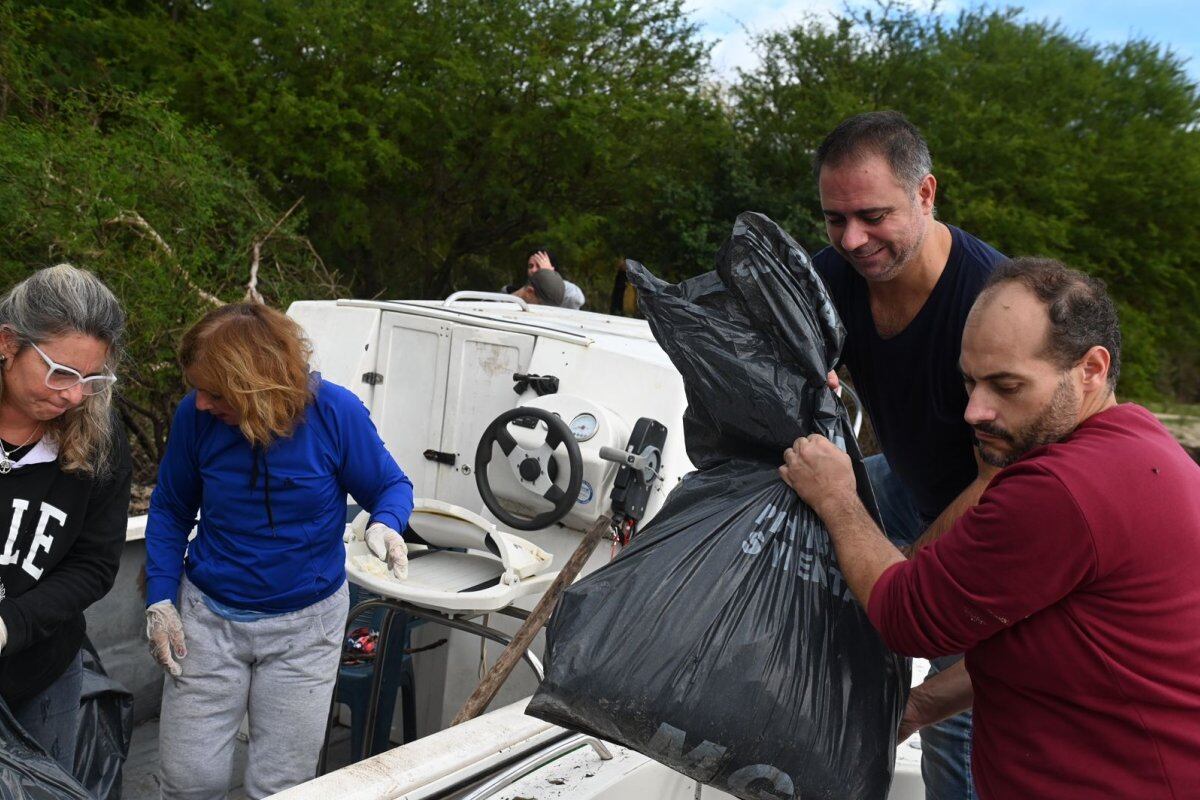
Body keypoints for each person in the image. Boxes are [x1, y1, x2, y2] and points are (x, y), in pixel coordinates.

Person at [780, 258, 1200, 798]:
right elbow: (1059, 646)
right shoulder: (1143, 445)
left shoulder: (1060, 489)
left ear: (1091, 369)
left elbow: (906, 614)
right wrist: (922, 706)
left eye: (1005, 385)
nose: (975, 410)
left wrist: (837, 497)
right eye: (970, 382)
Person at [144, 302, 415, 800]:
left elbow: (391, 486)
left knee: (281, 787)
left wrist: (386, 524)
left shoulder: (336, 413)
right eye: (197, 390)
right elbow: (170, 510)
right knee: (189, 780)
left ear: (255, 386)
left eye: (214, 391)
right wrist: (160, 599)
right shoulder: (196, 418)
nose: (200, 403)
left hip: (305, 629)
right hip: (207, 621)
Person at [811, 110, 1005, 798]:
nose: (852, 240)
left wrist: (899, 581)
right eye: (835, 219)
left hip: (993, 505)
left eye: (872, 215)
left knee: (954, 723)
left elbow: (1003, 485)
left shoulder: (992, 303)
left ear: (926, 194)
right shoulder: (831, 275)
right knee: (794, 522)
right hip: (906, 473)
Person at [0, 264, 131, 773]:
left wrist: (10, 626)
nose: (75, 395)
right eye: (61, 374)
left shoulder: (99, 438)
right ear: (8, 343)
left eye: (92, 379)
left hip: (43, 672)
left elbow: (94, 565)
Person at [504, 249, 585, 309]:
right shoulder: (511, 290)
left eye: (539, 266)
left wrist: (549, 277)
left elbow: (577, 299)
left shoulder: (569, 292)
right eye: (530, 266)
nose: (533, 270)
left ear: (552, 269)